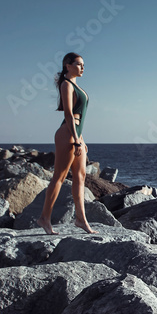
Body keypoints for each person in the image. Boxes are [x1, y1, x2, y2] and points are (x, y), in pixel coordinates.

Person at [36, 52, 97, 234]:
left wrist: (81, 138)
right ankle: (44, 219)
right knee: (59, 178)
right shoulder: (66, 84)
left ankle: (81, 220)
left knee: (80, 177)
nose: (82, 67)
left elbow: (80, 118)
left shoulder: (77, 86)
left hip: (76, 134)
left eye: (83, 64)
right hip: (67, 135)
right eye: (79, 64)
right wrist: (77, 139)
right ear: (67, 66)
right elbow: (69, 114)